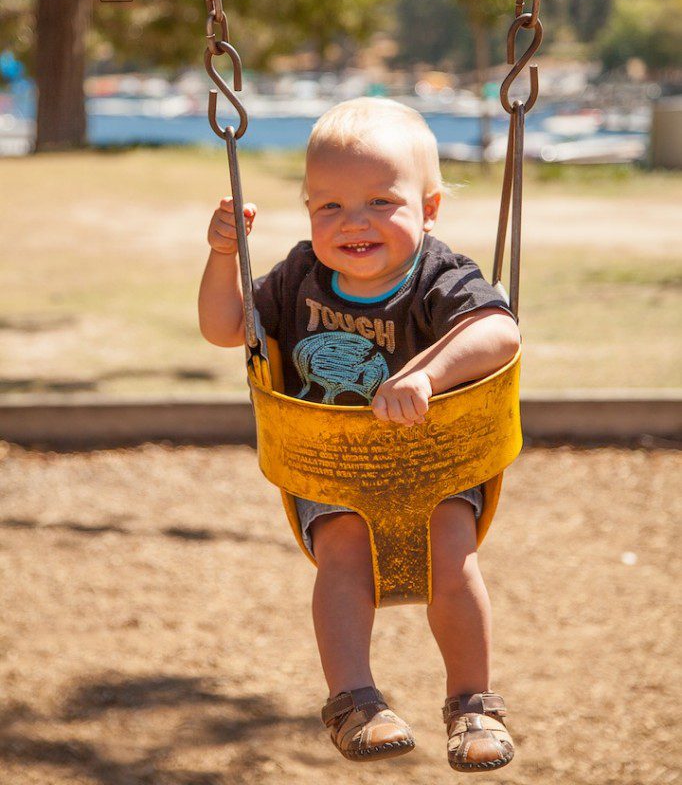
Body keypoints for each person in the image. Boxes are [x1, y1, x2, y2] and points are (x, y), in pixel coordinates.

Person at [198, 97, 520, 772]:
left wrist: (427, 375)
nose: (354, 224)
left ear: (429, 209)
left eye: (381, 202)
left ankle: (473, 705)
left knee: (453, 557)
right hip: (334, 472)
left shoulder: (438, 275)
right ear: (309, 211)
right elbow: (227, 327)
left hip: (437, 466)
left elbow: (500, 333)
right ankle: (354, 702)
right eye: (331, 208)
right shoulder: (298, 276)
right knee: (342, 555)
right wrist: (224, 253)